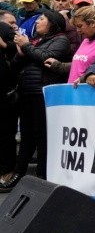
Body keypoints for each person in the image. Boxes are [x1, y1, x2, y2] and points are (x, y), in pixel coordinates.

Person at [0, 10, 71, 191]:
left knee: (41, 136)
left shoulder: (61, 40)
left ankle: (42, 175)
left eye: (41, 19)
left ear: (52, 23)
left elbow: (45, 58)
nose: (37, 22)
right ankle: (18, 173)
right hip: (27, 93)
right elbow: (15, 66)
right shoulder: (34, 41)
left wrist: (26, 47)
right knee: (26, 136)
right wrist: (21, 54)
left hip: (44, 94)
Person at [43, 5, 95, 83]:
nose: (77, 30)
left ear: (92, 23)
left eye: (80, 26)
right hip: (74, 90)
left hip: (91, 91)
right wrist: (60, 66)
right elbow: (81, 64)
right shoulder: (86, 39)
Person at [0, 12, 19, 185]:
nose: (14, 26)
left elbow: (18, 49)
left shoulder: (4, 29)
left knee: (6, 134)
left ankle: (7, 171)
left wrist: (4, 45)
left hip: (6, 93)